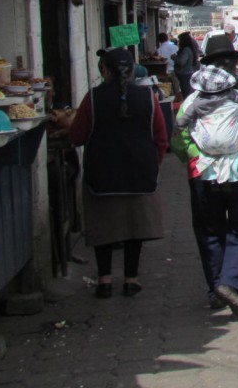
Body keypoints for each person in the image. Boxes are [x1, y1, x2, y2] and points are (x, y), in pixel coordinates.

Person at [173, 34, 238, 320]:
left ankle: (215, 289)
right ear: (234, 65)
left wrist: (193, 158)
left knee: (209, 231)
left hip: (202, 173)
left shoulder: (192, 100)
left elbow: (180, 138)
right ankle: (231, 284)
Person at [68, 48, 168, 299]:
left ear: (105, 71)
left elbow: (77, 136)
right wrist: (152, 165)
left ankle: (104, 280)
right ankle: (131, 279)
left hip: (102, 175)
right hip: (140, 175)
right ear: (132, 70)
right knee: (135, 229)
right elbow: (161, 138)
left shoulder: (92, 98)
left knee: (104, 229)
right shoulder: (148, 96)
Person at [173, 32, 201, 99]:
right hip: (187, 73)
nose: (179, 42)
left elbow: (181, 62)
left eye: (180, 40)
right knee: (187, 92)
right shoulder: (190, 48)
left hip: (185, 74)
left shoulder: (186, 50)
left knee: (186, 92)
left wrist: (173, 57)